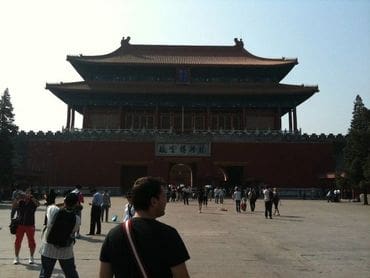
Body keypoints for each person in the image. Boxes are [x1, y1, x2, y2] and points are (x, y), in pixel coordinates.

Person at [99, 176, 190, 278]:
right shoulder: (168, 234)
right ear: (154, 201)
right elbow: (182, 276)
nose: (166, 200)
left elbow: (104, 275)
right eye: (165, 196)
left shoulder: (113, 235)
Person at [39, 192, 81, 278]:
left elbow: (51, 206)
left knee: (45, 274)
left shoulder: (53, 210)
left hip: (48, 248)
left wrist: (63, 204)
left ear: (64, 201)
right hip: (66, 251)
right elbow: (74, 231)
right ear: (76, 204)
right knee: (71, 273)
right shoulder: (76, 218)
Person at [13, 188, 40, 264]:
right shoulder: (21, 201)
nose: (26, 194)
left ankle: (31, 257)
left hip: (30, 225)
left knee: (31, 242)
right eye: (25, 192)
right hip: (20, 224)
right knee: (17, 241)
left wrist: (32, 198)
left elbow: (38, 204)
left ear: (31, 194)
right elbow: (14, 206)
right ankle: (16, 257)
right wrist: (17, 198)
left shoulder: (33, 202)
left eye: (28, 192)